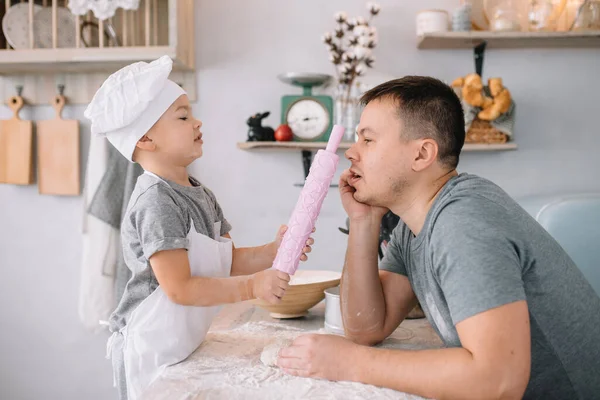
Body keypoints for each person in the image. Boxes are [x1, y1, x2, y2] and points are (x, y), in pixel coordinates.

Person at [277, 76, 600, 399]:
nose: (351, 153)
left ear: (421, 155)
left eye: (368, 140)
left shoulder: (462, 221)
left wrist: (350, 363)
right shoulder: (414, 225)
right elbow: (367, 327)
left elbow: (499, 382)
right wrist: (363, 222)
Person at [84, 55, 314, 400]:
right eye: (183, 116)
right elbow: (180, 289)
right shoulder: (156, 201)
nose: (197, 122)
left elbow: (227, 261)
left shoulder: (200, 193)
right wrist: (253, 287)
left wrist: (273, 251)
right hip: (151, 352)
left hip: (181, 344)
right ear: (146, 139)